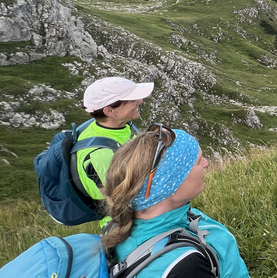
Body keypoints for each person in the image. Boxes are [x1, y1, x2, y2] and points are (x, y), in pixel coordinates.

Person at [101, 125, 250, 278]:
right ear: (170, 185)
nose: (207, 163)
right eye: (198, 161)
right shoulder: (186, 268)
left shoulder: (121, 228)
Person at [75, 77, 153, 205]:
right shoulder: (100, 155)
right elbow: (117, 202)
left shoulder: (117, 126)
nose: (140, 101)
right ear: (109, 111)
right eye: (132, 100)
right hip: (123, 221)